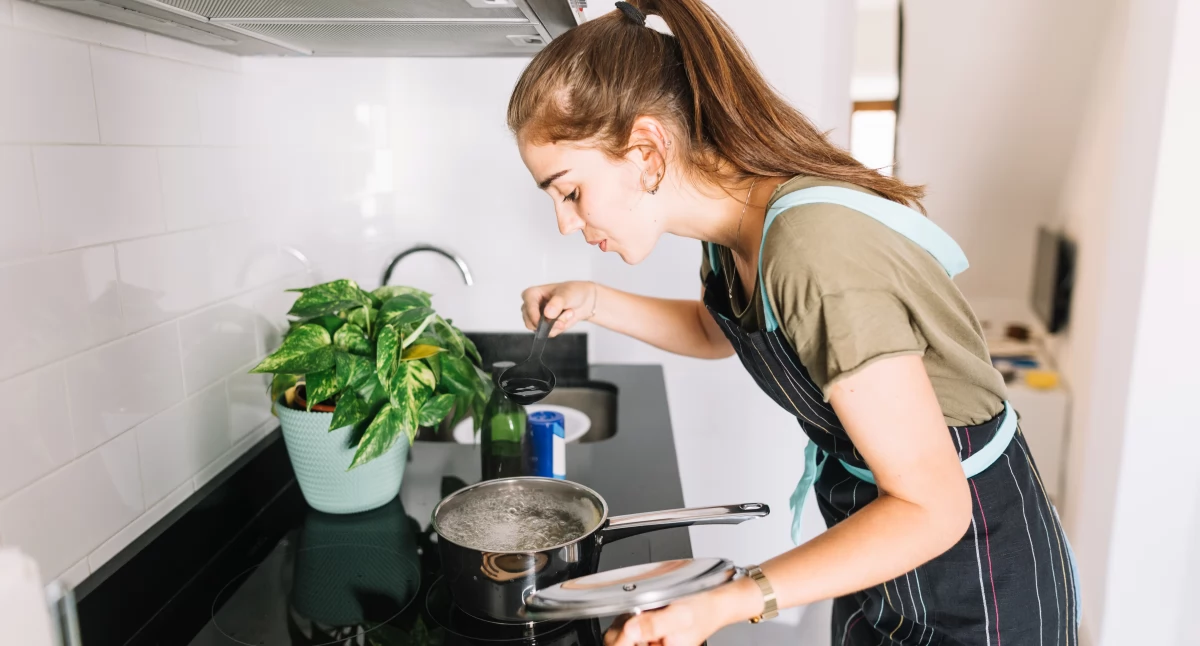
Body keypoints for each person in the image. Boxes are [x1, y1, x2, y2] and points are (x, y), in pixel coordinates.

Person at [509, 1, 1082, 645]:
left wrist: (724, 602)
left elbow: (932, 508)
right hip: (881, 542)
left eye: (569, 191)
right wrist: (593, 300)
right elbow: (713, 331)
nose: (565, 221)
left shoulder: (811, 247)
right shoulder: (734, 227)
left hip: (976, 580)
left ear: (645, 151)